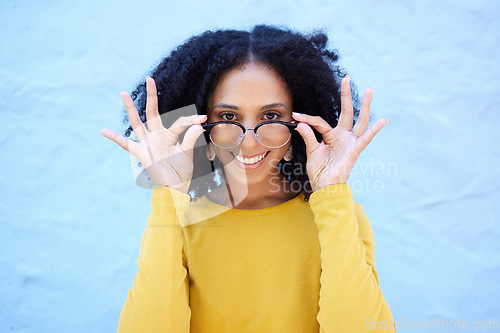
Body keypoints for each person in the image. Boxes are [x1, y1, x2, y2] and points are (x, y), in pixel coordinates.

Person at [100, 24, 396, 332]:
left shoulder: (339, 216)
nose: (249, 141)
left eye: (270, 117)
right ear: (202, 126)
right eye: (228, 117)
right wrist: (166, 195)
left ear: (298, 123)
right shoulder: (178, 221)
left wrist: (333, 192)